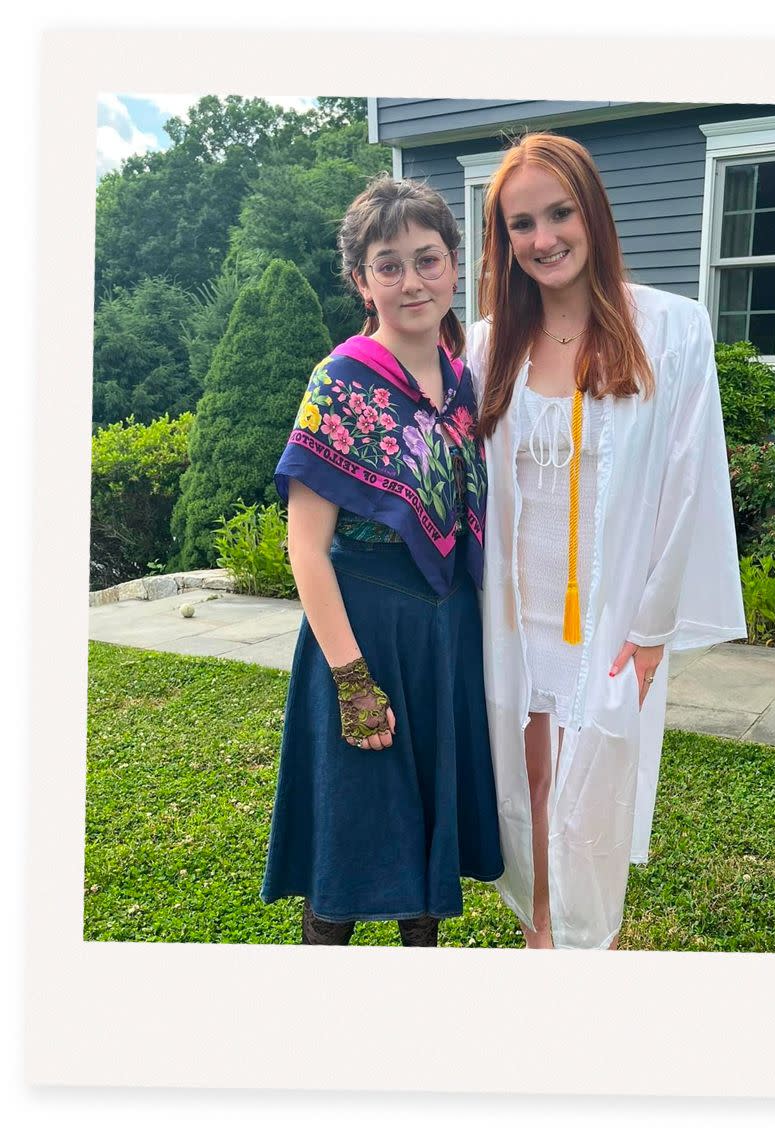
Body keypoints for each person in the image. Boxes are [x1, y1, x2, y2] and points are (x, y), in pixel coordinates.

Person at [465, 133, 746, 950]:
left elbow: (689, 482)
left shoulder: (670, 328)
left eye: (559, 213)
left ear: (592, 212)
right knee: (525, 786)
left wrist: (654, 622)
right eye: (521, 224)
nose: (543, 238)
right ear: (503, 240)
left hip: (612, 614)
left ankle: (593, 947)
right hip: (513, 619)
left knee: (594, 788)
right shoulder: (487, 345)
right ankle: (538, 931)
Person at [260, 176, 503, 947]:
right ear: (360, 280)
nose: (411, 281)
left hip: (442, 635)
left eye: (426, 259)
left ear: (453, 265)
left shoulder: (462, 379)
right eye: (387, 264)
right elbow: (305, 547)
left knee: (424, 855)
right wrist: (352, 679)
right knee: (350, 845)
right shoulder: (341, 381)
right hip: (362, 636)